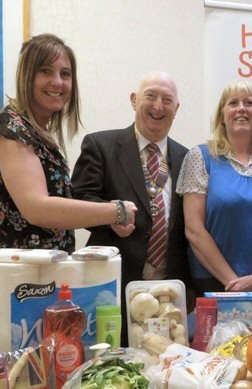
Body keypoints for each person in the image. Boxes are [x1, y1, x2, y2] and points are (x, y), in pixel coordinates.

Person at [0, 34, 137, 334]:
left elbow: (60, 207)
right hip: (14, 283)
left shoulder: (40, 136)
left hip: (43, 278)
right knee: (23, 377)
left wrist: (109, 219)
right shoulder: (10, 130)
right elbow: (38, 208)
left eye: (66, 74)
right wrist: (115, 211)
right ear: (26, 76)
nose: (58, 82)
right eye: (45, 71)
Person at [71, 71, 190, 345]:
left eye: (167, 100)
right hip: (113, 289)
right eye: (150, 96)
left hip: (167, 295)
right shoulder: (101, 145)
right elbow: (78, 200)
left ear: (176, 109)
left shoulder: (187, 158)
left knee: (163, 366)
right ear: (134, 100)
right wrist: (110, 215)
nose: (158, 106)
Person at [176, 80, 252, 297]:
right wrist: (234, 283)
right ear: (222, 116)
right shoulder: (201, 157)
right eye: (233, 103)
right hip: (214, 283)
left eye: (249, 103)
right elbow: (194, 230)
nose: (241, 108)